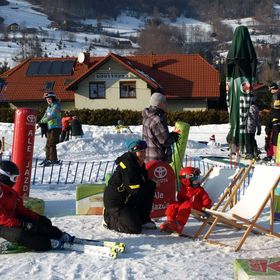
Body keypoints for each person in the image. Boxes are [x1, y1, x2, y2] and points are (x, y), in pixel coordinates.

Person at [0, 160, 74, 251]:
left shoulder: (11, 192)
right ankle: (47, 243)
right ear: (3, 176)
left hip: (12, 220)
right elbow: (2, 217)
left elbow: (21, 210)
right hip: (2, 225)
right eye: (14, 178)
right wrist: (22, 224)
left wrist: (38, 218)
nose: (15, 181)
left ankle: (59, 235)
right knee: (36, 240)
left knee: (40, 226)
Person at [103, 140, 157, 234]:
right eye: (141, 152)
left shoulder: (138, 163)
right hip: (117, 203)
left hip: (127, 199)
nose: (144, 154)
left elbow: (142, 184)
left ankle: (144, 219)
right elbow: (134, 189)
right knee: (134, 228)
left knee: (150, 186)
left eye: (144, 151)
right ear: (133, 152)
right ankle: (108, 219)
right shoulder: (128, 165)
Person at [160, 166, 212, 235]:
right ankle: (170, 222)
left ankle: (179, 225)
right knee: (172, 204)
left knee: (187, 204)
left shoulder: (199, 190)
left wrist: (206, 208)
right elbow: (179, 199)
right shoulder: (184, 189)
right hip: (186, 206)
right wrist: (181, 194)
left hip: (198, 207)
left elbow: (207, 200)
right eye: (194, 180)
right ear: (186, 181)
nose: (197, 182)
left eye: (197, 180)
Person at [142, 92, 180, 163]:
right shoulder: (157, 120)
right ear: (160, 103)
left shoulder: (147, 116)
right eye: (165, 102)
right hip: (157, 159)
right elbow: (165, 141)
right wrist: (174, 136)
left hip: (147, 156)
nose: (166, 104)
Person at [38, 92, 62, 166]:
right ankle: (48, 159)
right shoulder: (49, 107)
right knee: (48, 144)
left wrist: (43, 121)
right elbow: (45, 115)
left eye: (49, 99)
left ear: (53, 99)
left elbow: (53, 115)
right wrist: (40, 122)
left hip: (56, 127)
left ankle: (53, 160)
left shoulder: (56, 106)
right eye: (47, 99)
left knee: (52, 143)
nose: (48, 100)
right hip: (49, 127)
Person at [265, 97, 280, 161]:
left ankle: (270, 156)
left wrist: (267, 137)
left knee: (270, 143)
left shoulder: (271, 115)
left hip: (275, 136)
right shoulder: (271, 115)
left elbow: (268, 127)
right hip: (275, 134)